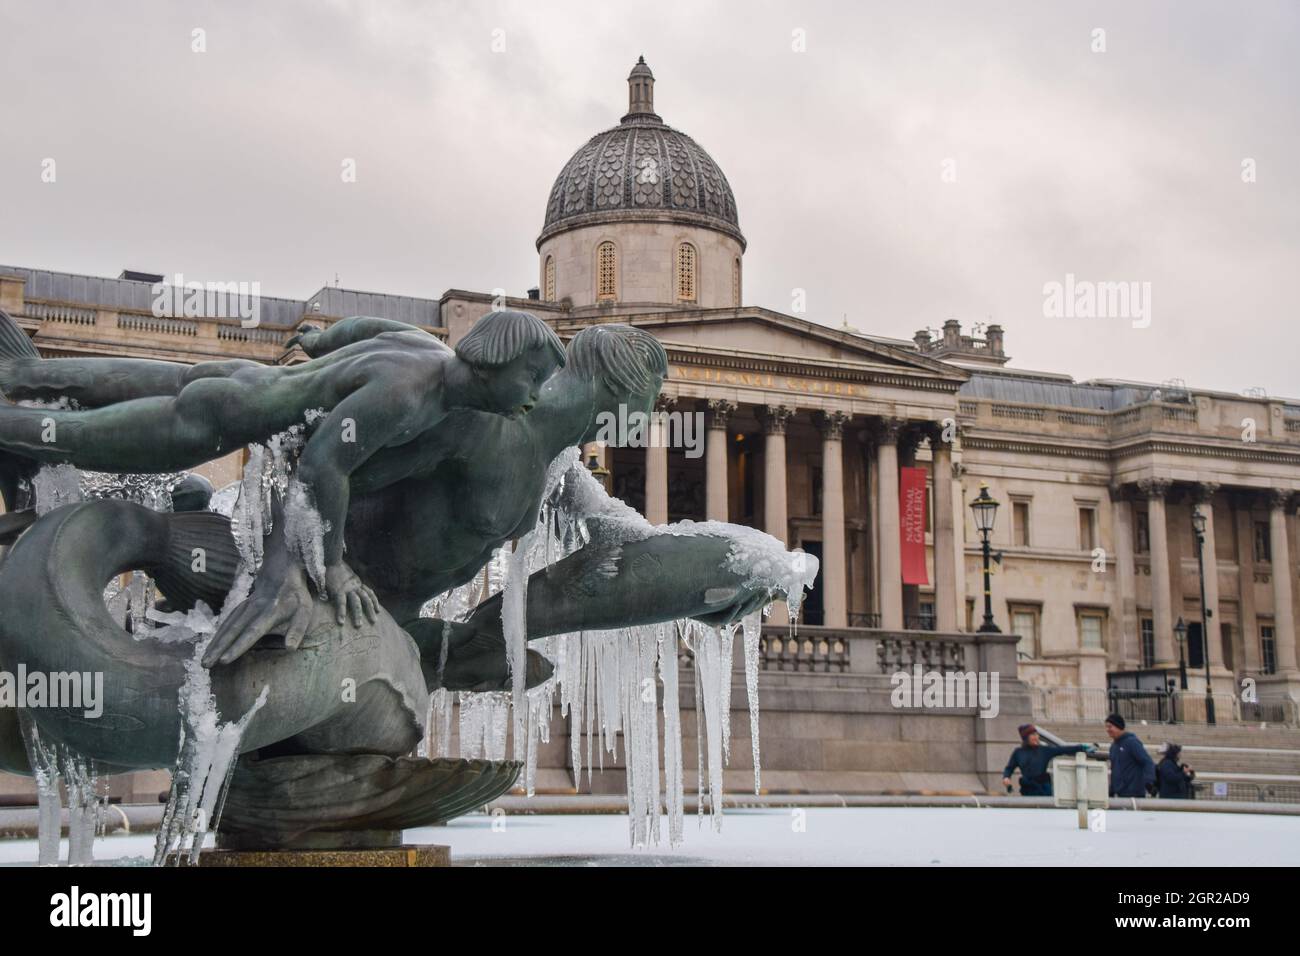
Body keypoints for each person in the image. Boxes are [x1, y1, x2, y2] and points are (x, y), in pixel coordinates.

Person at [0, 307, 566, 628]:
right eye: (532, 378)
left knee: (49, 381)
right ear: (494, 363)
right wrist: (336, 567)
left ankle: (16, 374)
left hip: (240, 382)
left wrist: (321, 342)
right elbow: (324, 467)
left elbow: (362, 328)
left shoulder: (425, 349)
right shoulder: (407, 396)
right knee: (75, 437)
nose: (536, 398)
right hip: (215, 423)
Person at [1001, 723, 1092, 796]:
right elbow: (1009, 768)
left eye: (1037, 734)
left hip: (1044, 789)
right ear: (1026, 738)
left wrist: (1082, 747)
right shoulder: (1018, 752)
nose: (1036, 737)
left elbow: (1063, 749)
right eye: (1033, 735)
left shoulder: (1045, 750)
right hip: (1028, 789)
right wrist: (1006, 777)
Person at [1105, 713, 1156, 797]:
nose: (1107, 729)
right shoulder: (1113, 747)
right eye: (1106, 727)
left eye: (1110, 726)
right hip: (1120, 794)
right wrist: (1112, 789)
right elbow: (1114, 769)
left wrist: (1149, 782)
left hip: (1134, 793)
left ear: (1119, 726)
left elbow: (1147, 762)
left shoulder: (1132, 743)